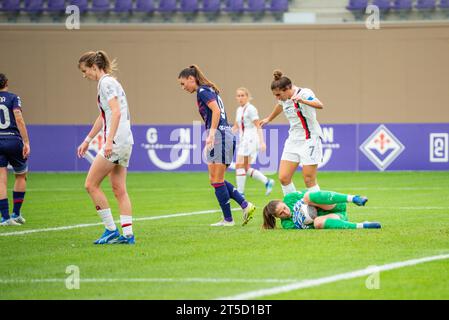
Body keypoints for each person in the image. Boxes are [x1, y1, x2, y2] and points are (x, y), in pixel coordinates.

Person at [178, 65, 256, 227]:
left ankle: (229, 219)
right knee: (214, 179)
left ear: (191, 79)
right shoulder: (208, 90)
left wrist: (212, 133)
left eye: (183, 83)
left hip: (221, 137)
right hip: (223, 136)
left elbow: (215, 111)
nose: (183, 87)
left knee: (217, 180)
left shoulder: (202, 91)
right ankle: (245, 205)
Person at [77, 51, 135, 244]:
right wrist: (88, 139)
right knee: (119, 189)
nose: (84, 75)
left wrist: (108, 141)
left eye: (85, 71)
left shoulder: (105, 83)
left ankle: (110, 230)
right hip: (126, 140)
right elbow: (105, 116)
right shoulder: (112, 82)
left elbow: (116, 113)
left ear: (94, 66)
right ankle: (128, 236)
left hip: (117, 141)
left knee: (90, 185)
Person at [260, 70, 324, 196]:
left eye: (278, 94)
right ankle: (294, 208)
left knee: (309, 179)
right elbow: (280, 105)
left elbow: (319, 104)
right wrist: (269, 118)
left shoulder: (304, 93)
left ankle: (321, 210)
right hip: (293, 140)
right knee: (284, 177)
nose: (277, 98)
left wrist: (302, 100)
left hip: (309, 139)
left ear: (288, 89)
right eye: (275, 95)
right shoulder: (283, 99)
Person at [262, 190, 381, 230]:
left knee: (307, 197)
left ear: (283, 202)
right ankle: (362, 225)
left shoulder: (290, 198)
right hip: (336, 218)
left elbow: (316, 195)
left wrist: (305, 205)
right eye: (281, 213)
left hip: (333, 205)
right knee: (317, 222)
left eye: (284, 208)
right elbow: (309, 228)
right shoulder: (287, 224)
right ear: (277, 217)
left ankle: (354, 198)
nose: (286, 212)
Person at [232, 87, 274, 198]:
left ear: (247, 96)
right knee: (245, 167)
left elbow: (258, 125)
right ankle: (267, 181)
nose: (240, 98)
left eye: (243, 95)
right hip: (244, 139)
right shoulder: (239, 110)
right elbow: (236, 126)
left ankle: (240, 193)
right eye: (238, 96)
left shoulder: (251, 109)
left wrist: (262, 142)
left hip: (250, 139)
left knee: (239, 165)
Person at [0, 73, 30, 226]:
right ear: (6, 82)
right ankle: (16, 213)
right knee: (20, 175)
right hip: (13, 139)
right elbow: (18, 118)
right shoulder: (13, 98)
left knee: (1, 179)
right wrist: (26, 141)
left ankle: (5, 218)